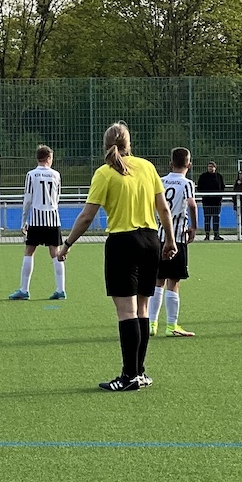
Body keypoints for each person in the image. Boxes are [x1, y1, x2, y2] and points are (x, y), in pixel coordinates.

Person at [58, 122, 176, 392]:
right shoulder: (147, 167)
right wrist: (169, 240)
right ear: (129, 143)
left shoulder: (105, 172)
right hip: (150, 240)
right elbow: (164, 209)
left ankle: (128, 375)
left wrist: (67, 243)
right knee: (143, 309)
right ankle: (140, 372)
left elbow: (87, 216)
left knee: (126, 312)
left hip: (123, 243)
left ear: (105, 144)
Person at [150, 148, 199, 337]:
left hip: (158, 236)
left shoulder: (160, 181)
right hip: (177, 237)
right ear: (189, 165)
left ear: (170, 163)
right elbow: (192, 204)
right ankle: (172, 326)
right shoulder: (187, 183)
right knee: (174, 282)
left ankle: (151, 324)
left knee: (157, 281)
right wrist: (194, 227)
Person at [10, 145, 65, 301]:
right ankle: (61, 289)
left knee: (29, 251)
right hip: (53, 219)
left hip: (36, 219)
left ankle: (24, 290)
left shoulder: (31, 175)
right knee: (55, 253)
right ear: (48, 158)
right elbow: (57, 197)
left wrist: (24, 221)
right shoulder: (56, 175)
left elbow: (27, 199)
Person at [195, 161, 225, 240]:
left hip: (217, 202)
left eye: (212, 167)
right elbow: (199, 187)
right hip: (206, 201)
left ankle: (216, 234)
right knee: (207, 218)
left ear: (215, 168)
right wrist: (204, 195)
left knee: (216, 218)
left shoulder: (219, 176)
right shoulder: (203, 176)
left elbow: (222, 187)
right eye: (209, 167)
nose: (210, 168)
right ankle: (207, 235)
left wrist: (219, 196)